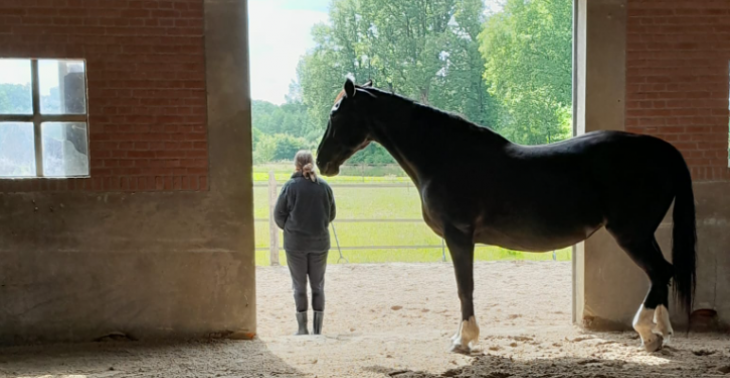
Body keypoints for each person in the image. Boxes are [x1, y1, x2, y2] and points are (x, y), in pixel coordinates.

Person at [274, 150, 336, 335]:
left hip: (295, 245)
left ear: (296, 165)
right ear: (312, 164)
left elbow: (278, 215)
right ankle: (318, 330)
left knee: (299, 286)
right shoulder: (324, 187)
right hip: (320, 244)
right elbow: (331, 215)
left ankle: (302, 329)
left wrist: (292, 229)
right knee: (318, 286)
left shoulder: (290, 187)